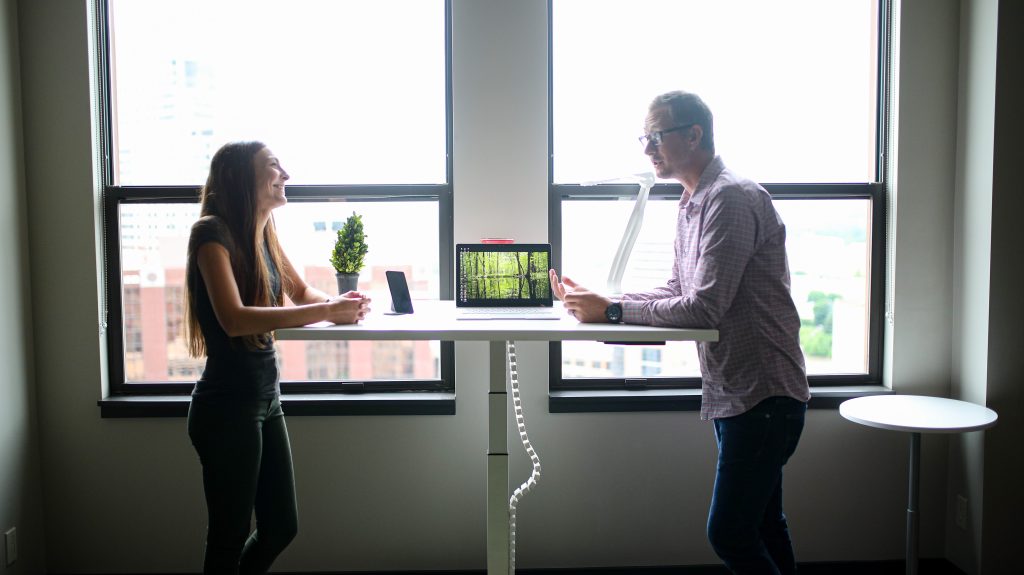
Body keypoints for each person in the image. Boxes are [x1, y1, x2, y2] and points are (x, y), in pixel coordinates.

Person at [549, 91, 810, 574]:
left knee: (730, 532)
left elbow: (704, 308)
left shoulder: (730, 198)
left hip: (764, 395)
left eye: (656, 136)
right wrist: (607, 302)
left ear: (693, 134)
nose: (647, 149)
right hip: (741, 392)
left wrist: (611, 314)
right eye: (643, 138)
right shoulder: (694, 201)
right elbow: (677, 288)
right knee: (763, 524)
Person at [184, 141, 370, 574]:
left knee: (281, 527)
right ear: (242, 179)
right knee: (228, 538)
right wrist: (327, 311)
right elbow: (233, 319)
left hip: (266, 400)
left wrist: (344, 304)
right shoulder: (211, 234)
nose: (285, 174)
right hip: (226, 407)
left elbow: (303, 293)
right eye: (273, 166)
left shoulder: (264, 232)